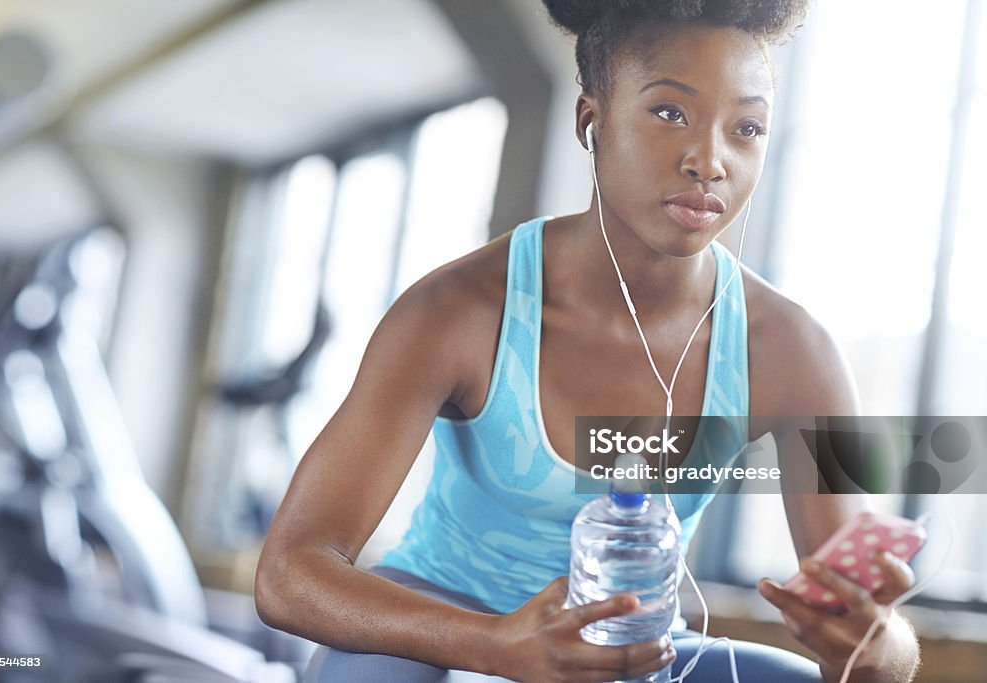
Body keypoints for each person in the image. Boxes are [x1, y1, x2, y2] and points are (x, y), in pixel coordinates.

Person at [255, 1, 922, 681]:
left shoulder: (795, 350)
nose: (709, 160)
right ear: (590, 119)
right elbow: (290, 572)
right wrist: (494, 644)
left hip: (640, 644)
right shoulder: (458, 310)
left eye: (746, 128)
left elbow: (886, 641)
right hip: (452, 627)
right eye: (670, 113)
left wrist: (874, 645)